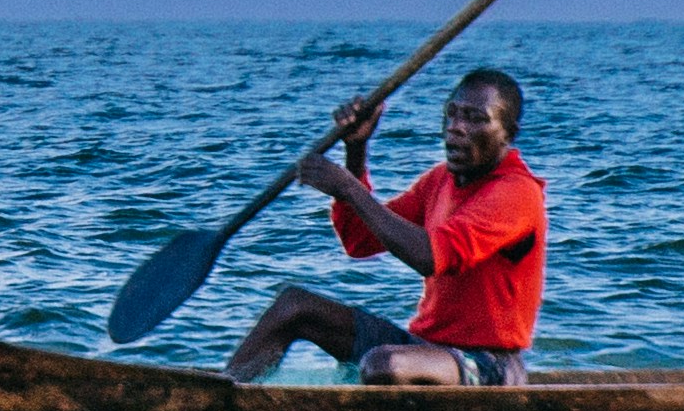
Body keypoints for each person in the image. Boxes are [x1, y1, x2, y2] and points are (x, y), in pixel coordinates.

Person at [224, 65, 544, 387]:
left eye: (476, 118)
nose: (456, 128)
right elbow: (359, 240)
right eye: (452, 114)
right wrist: (356, 149)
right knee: (293, 306)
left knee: (385, 364)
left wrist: (347, 187)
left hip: (489, 366)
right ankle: (223, 397)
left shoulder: (515, 193)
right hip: (426, 350)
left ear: (508, 133)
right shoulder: (439, 182)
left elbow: (429, 256)